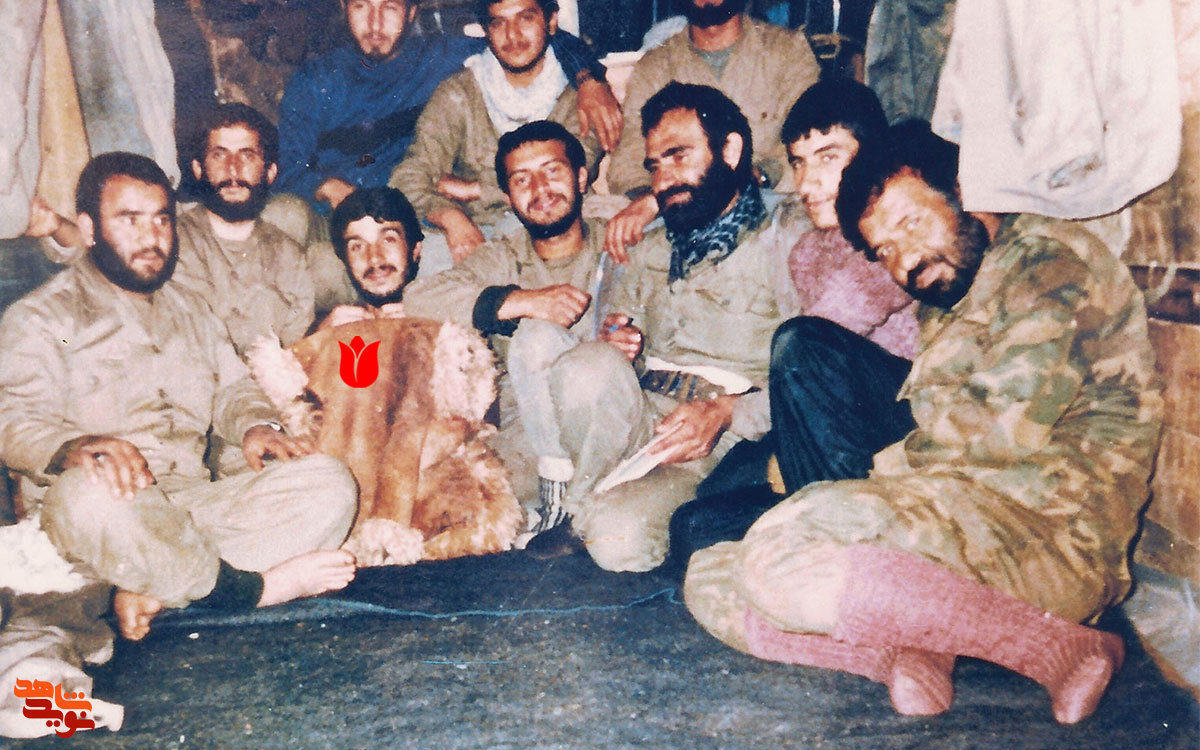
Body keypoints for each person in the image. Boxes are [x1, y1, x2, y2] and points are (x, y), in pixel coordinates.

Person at [682, 124, 1163, 723]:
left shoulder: (1049, 264)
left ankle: (1056, 648)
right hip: (963, 521)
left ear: (962, 189)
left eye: (911, 224)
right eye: (884, 250)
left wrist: (860, 486)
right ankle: (904, 649)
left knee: (777, 559)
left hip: (1044, 540)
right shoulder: (954, 297)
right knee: (709, 574)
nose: (904, 260)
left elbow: (994, 434)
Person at [0, 153, 359, 642]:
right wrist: (75, 447)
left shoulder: (191, 309)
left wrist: (258, 425)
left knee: (329, 482)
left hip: (190, 505)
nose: (151, 237)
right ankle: (249, 590)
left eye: (161, 220)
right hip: (109, 510)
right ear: (88, 229)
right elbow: (12, 418)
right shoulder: (41, 317)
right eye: (130, 220)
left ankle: (152, 586)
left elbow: (234, 389)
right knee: (86, 496)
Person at [484, 84, 786, 572]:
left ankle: (598, 514)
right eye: (655, 166)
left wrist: (729, 412)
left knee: (616, 540)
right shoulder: (650, 247)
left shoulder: (784, 236)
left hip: (723, 433)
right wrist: (622, 345)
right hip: (644, 410)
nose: (664, 180)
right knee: (587, 365)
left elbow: (816, 371)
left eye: (679, 157)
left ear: (730, 151)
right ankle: (577, 507)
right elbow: (618, 340)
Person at [667, 79, 918, 568]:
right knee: (693, 527)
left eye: (828, 157)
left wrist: (732, 411)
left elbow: (811, 347)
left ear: (872, 156)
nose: (807, 182)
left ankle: (844, 554)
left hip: (903, 424)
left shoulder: (891, 233)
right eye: (799, 162)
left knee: (801, 342)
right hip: (832, 429)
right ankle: (811, 531)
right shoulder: (809, 251)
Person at [401, 120, 608, 543]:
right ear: (510, 198)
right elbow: (420, 299)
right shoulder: (504, 256)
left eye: (552, 171)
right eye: (521, 180)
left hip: (609, 415)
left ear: (581, 177)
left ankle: (562, 509)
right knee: (448, 500)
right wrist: (522, 302)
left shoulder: (617, 240)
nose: (540, 189)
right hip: (529, 427)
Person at [276, 0, 619, 219]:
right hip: (334, 213)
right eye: (361, 6)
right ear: (343, 7)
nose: (375, 23)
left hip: (408, 212)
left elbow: (528, 39)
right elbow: (286, 167)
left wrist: (588, 79)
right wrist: (326, 185)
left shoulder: (439, 58)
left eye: (390, 7)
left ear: (411, 12)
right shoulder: (315, 81)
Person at [389, 0, 603, 275]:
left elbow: (576, 170)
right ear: (486, 31)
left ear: (550, 22)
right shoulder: (460, 93)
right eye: (499, 23)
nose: (513, 35)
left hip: (559, 222)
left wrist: (479, 189)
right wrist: (450, 217)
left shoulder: (585, 95)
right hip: (476, 229)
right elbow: (409, 177)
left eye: (526, 18)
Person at [603, 0, 820, 259]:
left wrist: (756, 176)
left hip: (770, 208)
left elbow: (811, 142)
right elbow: (627, 163)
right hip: (681, 214)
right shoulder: (656, 66)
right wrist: (649, 200)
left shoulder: (787, 50)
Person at [173, 103, 316, 356]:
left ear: (270, 172)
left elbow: (296, 349)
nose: (233, 169)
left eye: (247, 155)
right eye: (219, 155)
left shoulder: (289, 255)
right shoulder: (174, 243)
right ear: (198, 169)